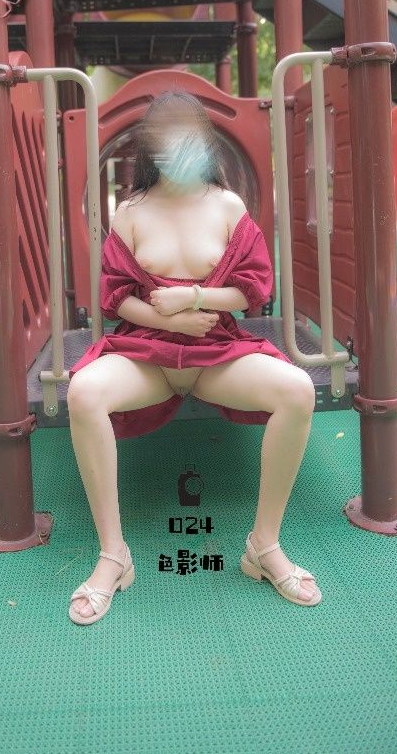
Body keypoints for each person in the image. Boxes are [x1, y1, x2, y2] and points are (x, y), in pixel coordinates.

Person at [66, 91, 322, 624]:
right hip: (147, 354)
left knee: (297, 389)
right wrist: (168, 321)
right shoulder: (131, 211)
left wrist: (195, 298)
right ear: (149, 148)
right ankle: (114, 555)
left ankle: (264, 546)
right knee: (84, 391)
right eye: (164, 138)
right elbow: (116, 295)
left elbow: (252, 290)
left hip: (215, 353)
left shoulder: (227, 205)